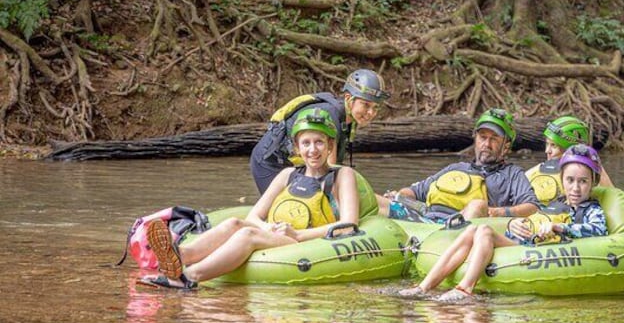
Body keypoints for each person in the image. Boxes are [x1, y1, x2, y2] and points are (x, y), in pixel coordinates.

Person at [139, 108, 362, 289]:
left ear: (330, 145)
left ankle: (189, 277)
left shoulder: (343, 176)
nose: (313, 150)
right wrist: (268, 227)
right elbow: (255, 215)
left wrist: (297, 234)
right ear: (297, 147)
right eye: (306, 143)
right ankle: (180, 255)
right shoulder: (287, 175)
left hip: (305, 242)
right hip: (279, 233)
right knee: (235, 223)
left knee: (247, 234)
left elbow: (349, 225)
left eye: (319, 142)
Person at [399, 145, 607, 302]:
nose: (576, 188)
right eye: (570, 180)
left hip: (540, 251)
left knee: (486, 233)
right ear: (562, 180)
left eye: (583, 181)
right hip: (526, 244)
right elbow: (534, 222)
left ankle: (465, 288)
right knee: (474, 229)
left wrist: (560, 227)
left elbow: (598, 230)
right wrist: (514, 225)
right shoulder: (555, 204)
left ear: (593, 183)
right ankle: (424, 287)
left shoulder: (591, 209)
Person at [379, 108, 538, 223]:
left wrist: (497, 212)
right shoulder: (455, 168)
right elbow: (414, 191)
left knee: (477, 205)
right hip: (426, 222)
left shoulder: (512, 174)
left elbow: (532, 207)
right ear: (475, 139)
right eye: (482, 137)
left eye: (494, 139)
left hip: (460, 229)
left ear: (506, 146)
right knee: (370, 198)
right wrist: (399, 196)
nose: (486, 144)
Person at [249, 69, 389, 194]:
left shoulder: (348, 119)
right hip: (269, 163)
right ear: (348, 99)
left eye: (376, 107)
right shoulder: (328, 117)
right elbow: (327, 173)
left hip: (295, 164)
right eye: (366, 105)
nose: (371, 113)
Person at [525, 116, 613, 205]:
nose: (547, 151)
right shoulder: (533, 173)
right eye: (547, 144)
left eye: (553, 146)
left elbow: (612, 199)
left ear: (569, 149)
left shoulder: (592, 174)